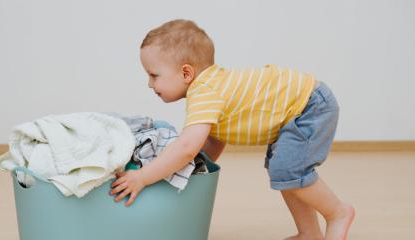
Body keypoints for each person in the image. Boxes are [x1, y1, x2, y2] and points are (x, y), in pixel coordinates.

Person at [110, 19, 355, 240]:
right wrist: (197, 171)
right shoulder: (213, 86)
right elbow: (215, 140)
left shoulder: (204, 91)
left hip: (309, 106)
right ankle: (310, 234)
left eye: (154, 75)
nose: (149, 84)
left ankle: (338, 213)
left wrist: (143, 177)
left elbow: (186, 147)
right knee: (286, 174)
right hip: (297, 108)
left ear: (186, 73)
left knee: (288, 170)